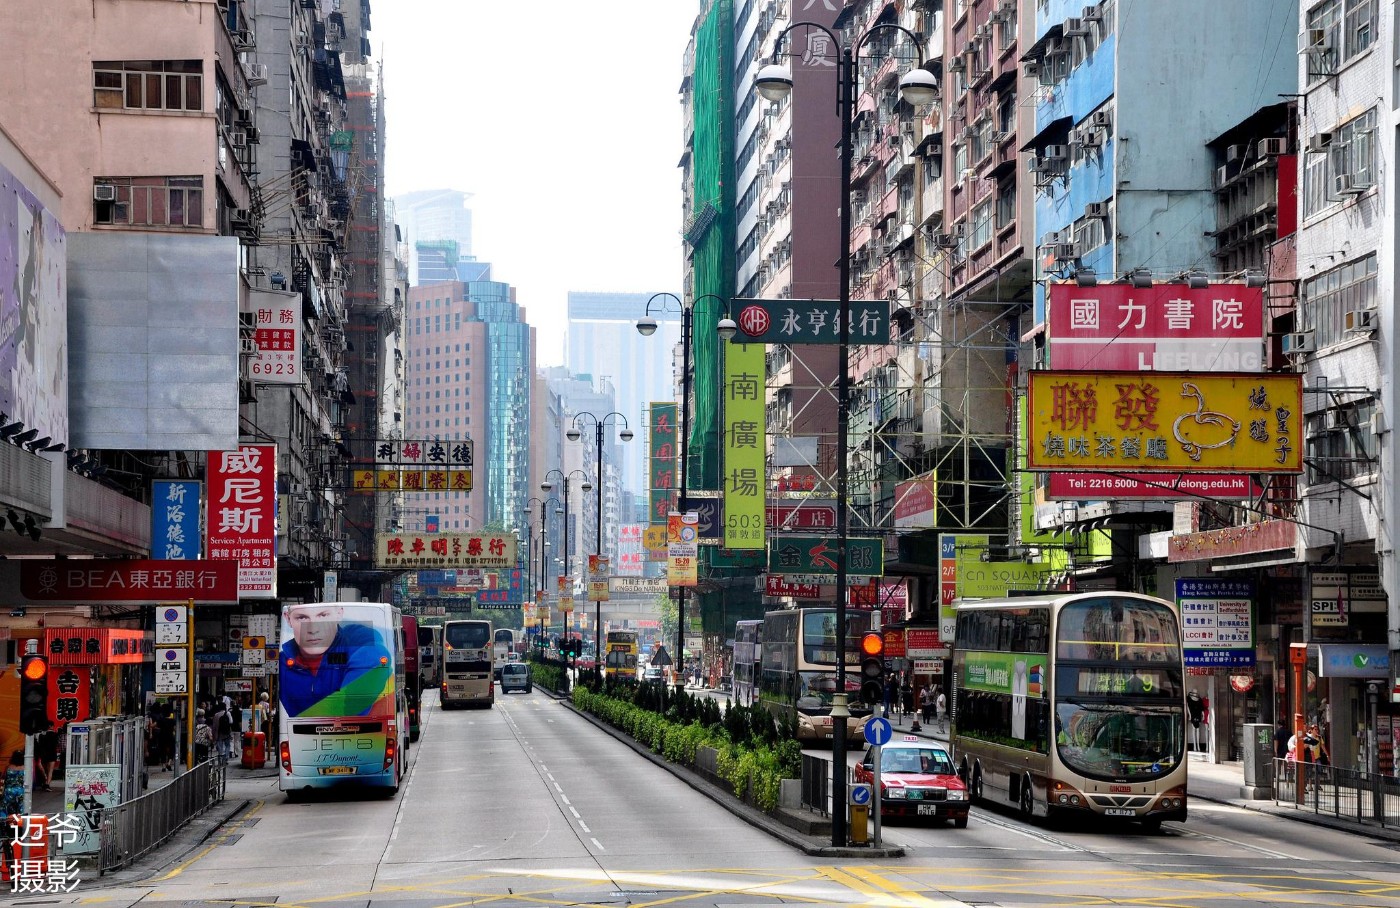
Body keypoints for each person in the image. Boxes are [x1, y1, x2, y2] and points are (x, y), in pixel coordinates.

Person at [279, 603, 393, 718]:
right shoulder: (282, 663)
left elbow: (376, 654)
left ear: (339, 613)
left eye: (323, 616)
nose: (313, 629)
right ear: (288, 619)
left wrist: (347, 710)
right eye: (302, 618)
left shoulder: (356, 639)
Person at [34, 724, 58, 791]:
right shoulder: (55, 735)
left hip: (44, 754)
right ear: (51, 726)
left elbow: (40, 745)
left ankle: (44, 782)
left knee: (45, 769)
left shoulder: (42, 735)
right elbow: (57, 744)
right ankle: (47, 784)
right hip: (52, 754)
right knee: (50, 770)